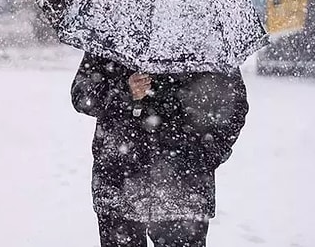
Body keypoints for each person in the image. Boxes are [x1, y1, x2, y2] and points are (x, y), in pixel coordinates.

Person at [71, 53, 249, 247]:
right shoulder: (113, 32)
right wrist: (124, 90)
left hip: (183, 189)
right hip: (119, 182)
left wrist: (205, 157)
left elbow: (234, 106)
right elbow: (82, 95)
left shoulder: (205, 39)